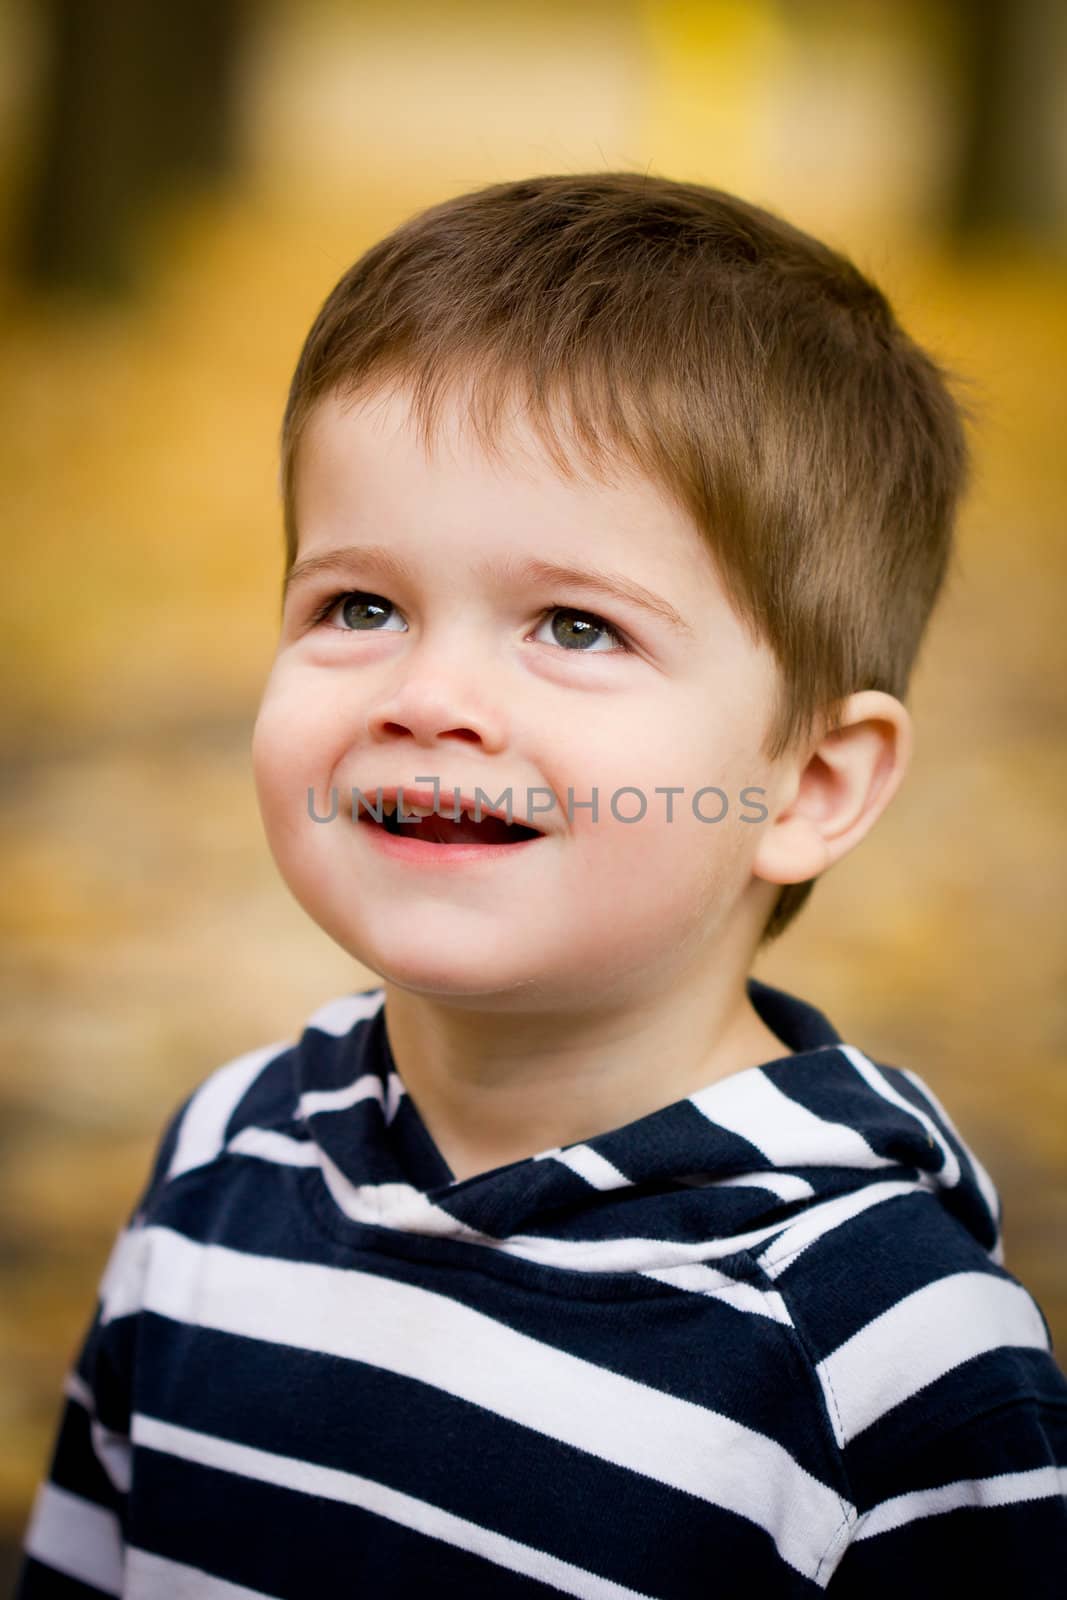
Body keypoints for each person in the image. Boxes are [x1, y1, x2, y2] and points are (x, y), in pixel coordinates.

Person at [15, 172, 1067, 1597]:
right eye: (360, 606)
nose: (429, 693)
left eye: (575, 626)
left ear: (812, 784)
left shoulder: (884, 1349)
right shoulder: (228, 1159)